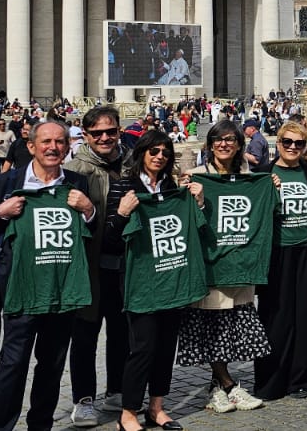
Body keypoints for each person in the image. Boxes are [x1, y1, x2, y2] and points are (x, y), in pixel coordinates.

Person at [0, 121, 96, 431]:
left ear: (68, 146)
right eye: (46, 142)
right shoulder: (6, 182)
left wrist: (89, 210)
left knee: (52, 366)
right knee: (13, 364)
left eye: (60, 141)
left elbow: (92, 233)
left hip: (62, 288)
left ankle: (40, 424)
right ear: (31, 147)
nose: (53, 147)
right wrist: (2, 211)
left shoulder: (77, 182)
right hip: (22, 287)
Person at [107, 130, 200, 431]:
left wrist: (196, 202)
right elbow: (109, 238)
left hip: (171, 277)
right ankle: (129, 411)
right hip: (140, 280)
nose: (159, 156)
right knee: (142, 347)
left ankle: (157, 407)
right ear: (142, 153)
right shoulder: (124, 185)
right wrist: (121, 214)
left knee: (166, 347)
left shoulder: (172, 187)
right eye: (153, 150)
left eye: (165, 152)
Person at [179, 121, 269, 413]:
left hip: (240, 263)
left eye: (231, 140)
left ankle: (217, 387)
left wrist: (272, 186)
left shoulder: (250, 178)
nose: (224, 144)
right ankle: (229, 385)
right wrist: (193, 197)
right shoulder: (194, 177)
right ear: (209, 145)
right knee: (213, 326)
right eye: (218, 139)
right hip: (210, 266)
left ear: (239, 145)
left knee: (229, 328)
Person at [61, 107, 128, 425]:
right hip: (88, 267)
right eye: (97, 133)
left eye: (110, 131)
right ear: (85, 135)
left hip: (126, 266)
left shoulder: (133, 164)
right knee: (85, 335)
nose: (105, 138)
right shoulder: (75, 170)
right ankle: (84, 399)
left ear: (118, 131)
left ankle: (117, 389)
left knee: (121, 332)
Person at [254, 120, 307, 400]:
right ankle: (271, 381)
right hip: (276, 254)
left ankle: (304, 379)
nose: (293, 148)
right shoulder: (263, 173)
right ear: (279, 144)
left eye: (299, 143)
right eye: (288, 142)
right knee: (275, 318)